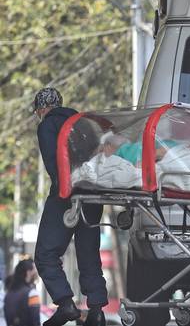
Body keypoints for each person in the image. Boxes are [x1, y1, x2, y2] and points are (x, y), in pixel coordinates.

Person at [32, 87, 107, 326]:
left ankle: (65, 305)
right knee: (88, 254)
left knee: (45, 255)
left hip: (66, 194)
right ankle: (96, 311)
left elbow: (54, 163)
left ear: (42, 108)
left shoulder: (47, 124)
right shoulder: (84, 123)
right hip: (94, 194)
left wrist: (62, 191)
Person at [3, 259, 40, 326]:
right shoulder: (32, 294)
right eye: (34, 269)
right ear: (28, 272)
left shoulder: (8, 295)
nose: (36, 272)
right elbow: (36, 321)